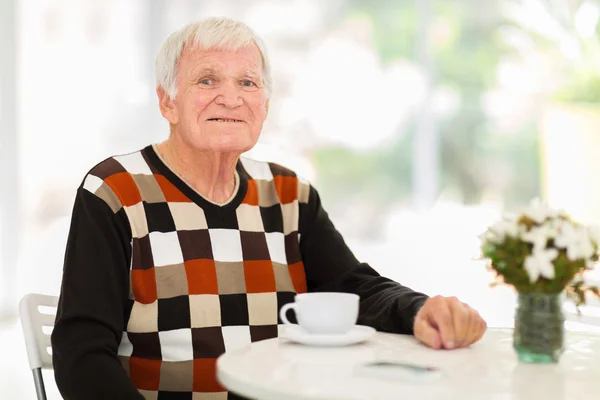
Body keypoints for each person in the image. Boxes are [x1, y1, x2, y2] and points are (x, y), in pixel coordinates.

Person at [51, 17, 487, 400]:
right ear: (168, 101)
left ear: (265, 104)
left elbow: (356, 288)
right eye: (207, 80)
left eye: (248, 82)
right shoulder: (113, 190)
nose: (231, 98)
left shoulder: (289, 193)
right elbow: (81, 353)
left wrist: (420, 309)